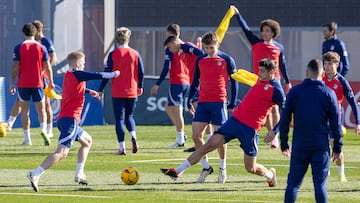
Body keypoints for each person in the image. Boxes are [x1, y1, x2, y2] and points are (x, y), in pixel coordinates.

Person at [161, 58, 284, 187]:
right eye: (259, 70)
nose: (259, 74)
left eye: (263, 71)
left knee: (250, 168)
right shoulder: (261, 79)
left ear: (272, 72)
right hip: (234, 121)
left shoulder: (276, 90)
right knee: (209, 145)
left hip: (250, 129)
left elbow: (287, 111)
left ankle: (270, 175)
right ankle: (178, 171)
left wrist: (275, 131)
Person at [26, 51, 120, 192]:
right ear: (77, 64)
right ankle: (35, 174)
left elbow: (76, 89)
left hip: (68, 119)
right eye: (83, 63)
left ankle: (79, 174)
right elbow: (98, 75)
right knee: (62, 152)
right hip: (70, 119)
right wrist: (114, 74)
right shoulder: (77, 73)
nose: (84, 65)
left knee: (87, 141)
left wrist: (89, 92)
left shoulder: (70, 75)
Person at [279, 59, 343, 203]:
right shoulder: (329, 93)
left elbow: (284, 120)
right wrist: (338, 148)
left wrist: (284, 143)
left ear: (306, 73)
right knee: (320, 186)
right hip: (320, 146)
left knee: (293, 185)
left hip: (300, 145)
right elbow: (336, 124)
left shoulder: (294, 92)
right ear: (322, 73)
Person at [232, 5, 292, 149]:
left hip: (275, 81)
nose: (264, 33)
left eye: (267, 31)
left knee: (276, 109)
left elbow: (282, 64)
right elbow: (246, 30)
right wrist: (238, 15)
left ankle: (274, 137)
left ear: (273, 33)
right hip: (258, 81)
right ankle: (268, 132)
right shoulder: (256, 43)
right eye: (263, 30)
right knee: (265, 110)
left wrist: (287, 81)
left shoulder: (279, 47)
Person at [185, 32, 238, 183]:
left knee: (220, 137)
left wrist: (232, 102)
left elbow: (234, 81)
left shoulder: (227, 59)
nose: (209, 51)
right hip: (203, 102)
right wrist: (189, 100)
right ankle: (206, 166)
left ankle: (222, 167)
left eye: (212, 48)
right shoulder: (200, 59)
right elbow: (195, 81)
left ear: (218, 45)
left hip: (219, 102)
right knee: (196, 135)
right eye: (206, 48)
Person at [6, 20, 58, 137]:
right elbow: (48, 66)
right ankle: (44, 130)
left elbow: (15, 67)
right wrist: (51, 81)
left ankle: (27, 138)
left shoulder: (19, 47)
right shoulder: (42, 47)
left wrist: (11, 83)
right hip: (38, 82)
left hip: (23, 83)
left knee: (25, 110)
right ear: (35, 33)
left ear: (23, 33)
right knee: (42, 109)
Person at [98, 27, 144, 155]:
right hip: (132, 90)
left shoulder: (113, 55)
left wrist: (100, 89)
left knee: (119, 119)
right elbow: (141, 72)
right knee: (129, 116)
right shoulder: (135, 53)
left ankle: (122, 147)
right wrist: (140, 86)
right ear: (128, 38)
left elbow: (107, 73)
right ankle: (133, 135)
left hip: (118, 91)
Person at [149, 24, 191, 148]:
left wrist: (157, 84)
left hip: (177, 81)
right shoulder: (185, 45)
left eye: (168, 34)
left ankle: (180, 140)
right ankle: (181, 134)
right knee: (168, 107)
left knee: (178, 112)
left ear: (171, 34)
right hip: (186, 81)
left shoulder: (171, 47)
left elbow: (166, 67)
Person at [322, 51, 360, 182]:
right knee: (322, 146)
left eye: (330, 63)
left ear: (337, 64)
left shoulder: (342, 81)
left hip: (335, 117)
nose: (327, 66)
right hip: (321, 117)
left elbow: (352, 103)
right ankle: (325, 173)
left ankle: (341, 174)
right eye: (325, 63)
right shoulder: (319, 79)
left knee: (336, 145)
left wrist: (358, 122)